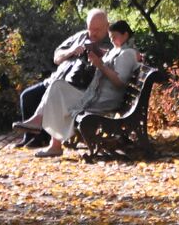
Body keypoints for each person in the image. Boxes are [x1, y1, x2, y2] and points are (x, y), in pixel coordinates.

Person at [13, 20, 139, 157]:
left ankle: (48, 136)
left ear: (125, 35)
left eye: (115, 37)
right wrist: (97, 54)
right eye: (110, 38)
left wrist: (100, 65)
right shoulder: (120, 50)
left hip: (104, 99)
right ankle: (45, 131)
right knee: (57, 86)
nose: (112, 40)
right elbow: (112, 62)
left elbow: (119, 81)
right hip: (96, 94)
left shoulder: (128, 53)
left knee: (58, 90)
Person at [15, 9, 111, 148]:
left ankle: (44, 137)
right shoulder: (80, 37)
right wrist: (71, 51)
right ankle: (32, 138)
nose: (93, 33)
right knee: (28, 96)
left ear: (107, 26)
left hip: (75, 87)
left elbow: (116, 58)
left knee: (55, 94)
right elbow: (56, 57)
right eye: (90, 29)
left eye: (97, 29)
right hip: (56, 80)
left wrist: (97, 53)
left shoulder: (111, 42)